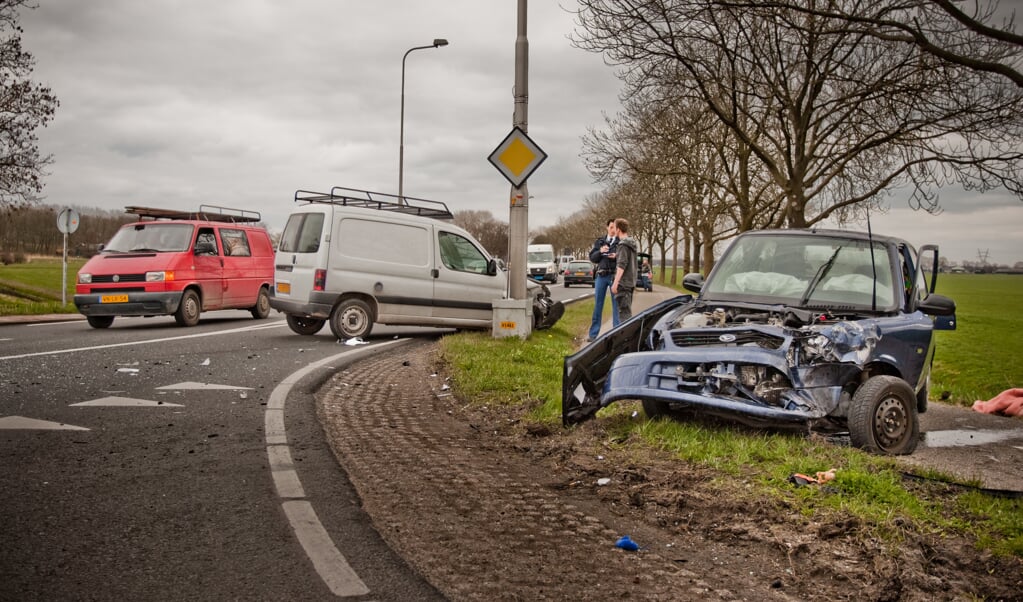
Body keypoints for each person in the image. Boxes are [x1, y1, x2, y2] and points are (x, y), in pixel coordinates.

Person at [586, 219, 619, 341]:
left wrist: (616, 256)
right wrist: (600, 251)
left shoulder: (620, 242)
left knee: (616, 305)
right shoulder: (600, 242)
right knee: (598, 305)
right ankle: (593, 334)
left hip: (614, 276)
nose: (613, 230)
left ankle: (617, 333)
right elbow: (592, 258)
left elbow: (625, 258)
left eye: (615, 227)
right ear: (607, 228)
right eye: (611, 227)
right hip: (601, 275)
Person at [610, 218, 638, 323]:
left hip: (623, 284)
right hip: (630, 283)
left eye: (614, 227)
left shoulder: (622, 245)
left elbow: (622, 266)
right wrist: (617, 255)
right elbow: (628, 259)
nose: (613, 230)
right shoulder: (632, 243)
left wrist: (615, 283)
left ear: (618, 229)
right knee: (627, 313)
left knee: (624, 317)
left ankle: (626, 339)